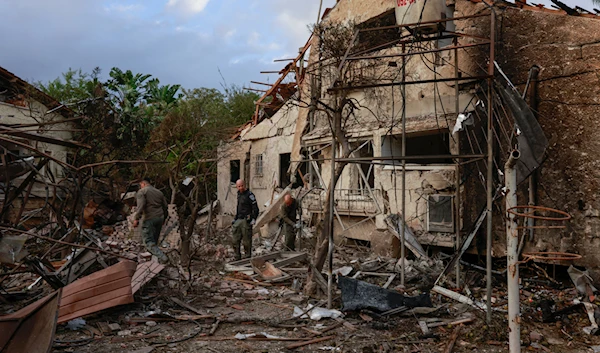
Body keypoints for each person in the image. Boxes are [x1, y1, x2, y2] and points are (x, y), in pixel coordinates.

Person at [133, 180, 169, 263]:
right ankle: (152, 261)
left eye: (140, 185)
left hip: (149, 218)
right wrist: (164, 218)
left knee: (148, 241)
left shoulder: (142, 192)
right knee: (154, 241)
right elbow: (165, 206)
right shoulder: (159, 192)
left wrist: (136, 218)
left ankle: (163, 258)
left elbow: (140, 206)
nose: (140, 187)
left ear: (143, 184)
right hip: (159, 218)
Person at [232, 179, 259, 260]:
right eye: (239, 186)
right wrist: (235, 218)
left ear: (245, 185)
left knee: (246, 241)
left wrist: (254, 218)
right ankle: (237, 257)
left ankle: (247, 258)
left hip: (246, 220)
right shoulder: (238, 194)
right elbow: (238, 207)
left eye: (242, 186)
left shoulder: (250, 195)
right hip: (238, 219)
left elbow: (256, 208)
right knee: (235, 240)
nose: (241, 188)